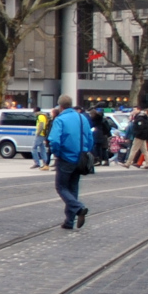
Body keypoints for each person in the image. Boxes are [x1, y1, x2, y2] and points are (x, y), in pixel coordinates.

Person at [48, 95, 93, 231]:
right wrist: (86, 150)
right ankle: (69, 221)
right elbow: (90, 138)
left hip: (66, 157)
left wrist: (57, 153)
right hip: (80, 158)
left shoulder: (60, 119)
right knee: (73, 188)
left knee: (61, 187)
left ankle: (79, 208)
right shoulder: (82, 118)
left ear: (60, 106)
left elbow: (54, 140)